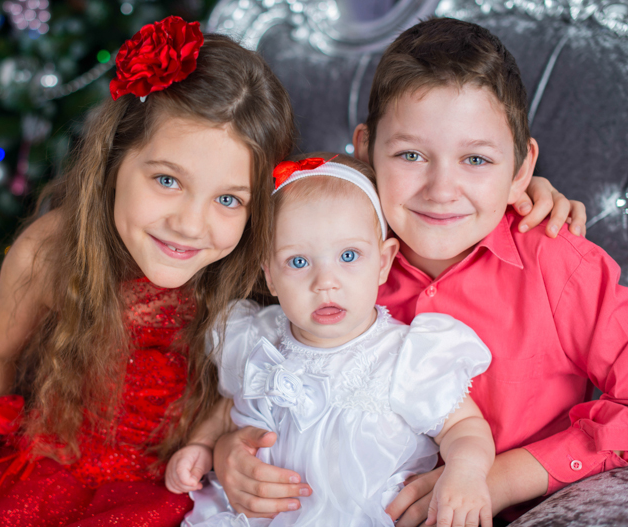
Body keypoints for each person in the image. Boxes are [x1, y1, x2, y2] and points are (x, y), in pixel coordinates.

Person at [0, 16, 297, 527]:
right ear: (116, 160)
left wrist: (221, 445)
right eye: (167, 180)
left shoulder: (263, 268)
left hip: (180, 489)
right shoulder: (51, 251)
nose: (189, 225)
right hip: (50, 474)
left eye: (228, 199)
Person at [211, 17, 627, 525]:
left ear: (521, 170)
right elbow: (266, 372)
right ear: (366, 152)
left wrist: (500, 479)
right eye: (410, 154)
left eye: (476, 160)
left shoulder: (557, 265)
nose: (441, 189)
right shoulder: (333, 253)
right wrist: (227, 449)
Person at [167, 154, 497, 527]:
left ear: (383, 262)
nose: (325, 282)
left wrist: (466, 473)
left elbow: (464, 428)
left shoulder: (406, 355)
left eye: (348, 256)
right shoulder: (257, 338)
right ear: (270, 275)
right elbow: (230, 408)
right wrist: (202, 445)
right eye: (298, 262)